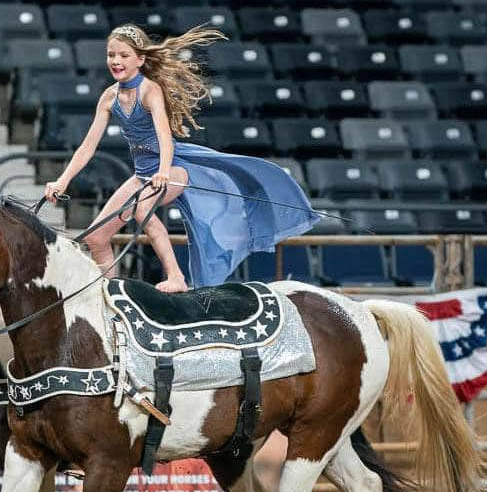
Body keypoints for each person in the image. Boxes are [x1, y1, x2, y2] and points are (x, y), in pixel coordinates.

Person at [45, 24, 320, 292]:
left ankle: (176, 277)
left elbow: (165, 137)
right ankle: (107, 295)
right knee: (96, 236)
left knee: (143, 209)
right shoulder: (109, 97)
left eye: (123, 55)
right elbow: (88, 146)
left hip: (176, 167)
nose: (115, 61)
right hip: (142, 175)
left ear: (140, 59)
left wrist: (163, 171)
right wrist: (62, 180)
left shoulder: (149, 90)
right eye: (111, 55)